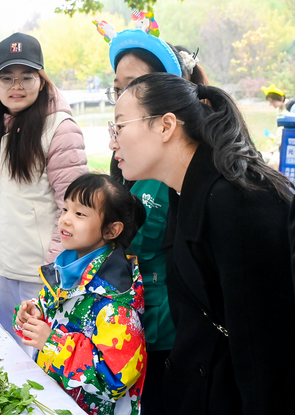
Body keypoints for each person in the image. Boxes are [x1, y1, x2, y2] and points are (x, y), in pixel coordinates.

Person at [109, 73, 295, 414]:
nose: (112, 143)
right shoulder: (188, 192)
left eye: (119, 127)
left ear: (166, 126)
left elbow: (265, 353)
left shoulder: (240, 202)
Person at [96, 14, 207, 414]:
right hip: (130, 325)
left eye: (135, 87)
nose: (122, 99)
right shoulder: (128, 163)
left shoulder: (188, 179)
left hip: (171, 334)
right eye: (117, 89)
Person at [0, 33, 88, 347]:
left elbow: (74, 210)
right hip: (1, 267)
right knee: (8, 351)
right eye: (7, 78)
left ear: (42, 80)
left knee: (39, 363)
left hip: (41, 276)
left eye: (26, 77)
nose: (16, 86)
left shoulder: (61, 129)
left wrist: (54, 271)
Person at [13, 173, 147, 415]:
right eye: (65, 209)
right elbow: (55, 310)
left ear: (111, 230)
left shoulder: (115, 305)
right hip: (52, 399)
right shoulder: (69, 268)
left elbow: (114, 380)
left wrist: (51, 343)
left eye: (80, 214)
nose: (65, 219)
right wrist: (34, 312)